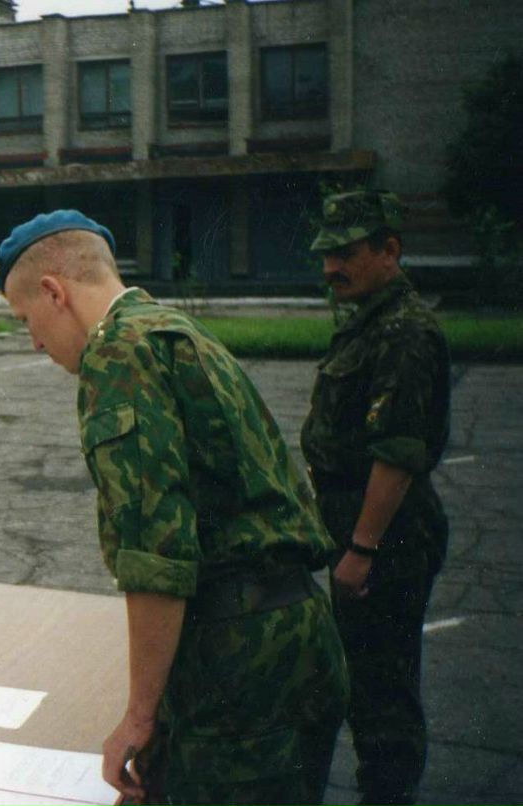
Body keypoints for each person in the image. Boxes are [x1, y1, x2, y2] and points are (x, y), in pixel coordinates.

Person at [0, 210, 348, 805]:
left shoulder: (119, 355)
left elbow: (157, 553)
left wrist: (139, 716)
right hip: (296, 638)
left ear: (54, 292)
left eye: (27, 319)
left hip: (237, 671)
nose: (33, 341)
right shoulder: (174, 330)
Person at [301, 191, 450, 806]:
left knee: (382, 697)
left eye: (348, 252)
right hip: (358, 532)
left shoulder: (405, 332)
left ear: (390, 250)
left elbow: (397, 454)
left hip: (384, 541)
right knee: (361, 683)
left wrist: (361, 549)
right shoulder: (370, 320)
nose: (333, 266)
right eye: (327, 253)